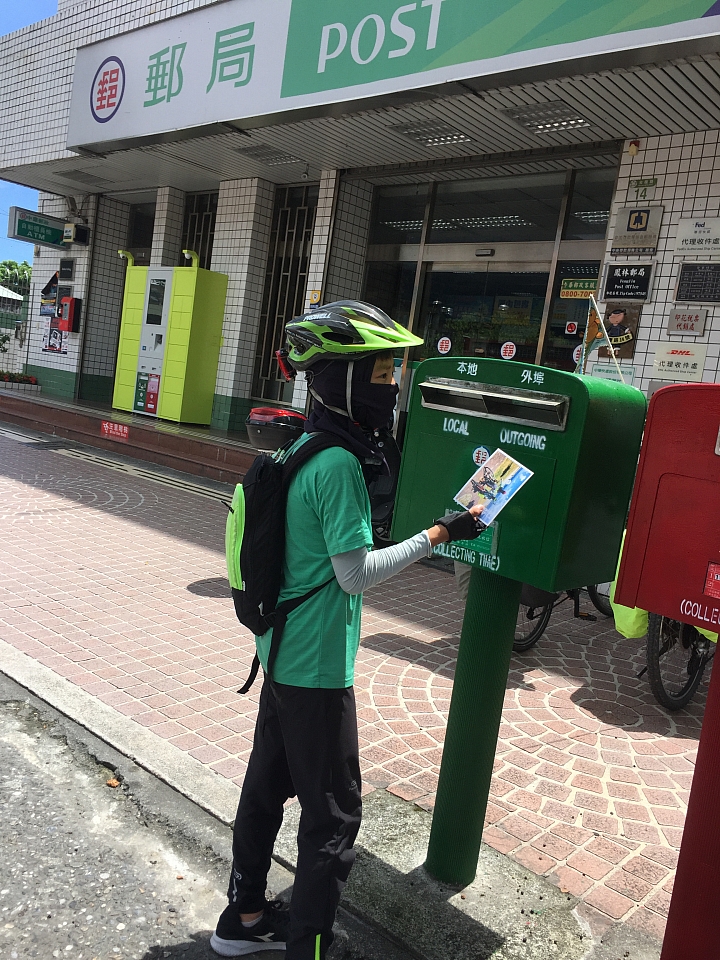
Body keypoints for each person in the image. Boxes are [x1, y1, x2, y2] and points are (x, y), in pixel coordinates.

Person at [210, 301, 486, 960]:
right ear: (342, 380)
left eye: (393, 369)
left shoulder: (302, 444)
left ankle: (243, 917)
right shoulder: (338, 465)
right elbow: (356, 575)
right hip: (316, 666)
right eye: (381, 369)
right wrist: (442, 533)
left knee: (264, 789)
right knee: (334, 817)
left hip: (277, 655)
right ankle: (309, 946)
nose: (392, 384)